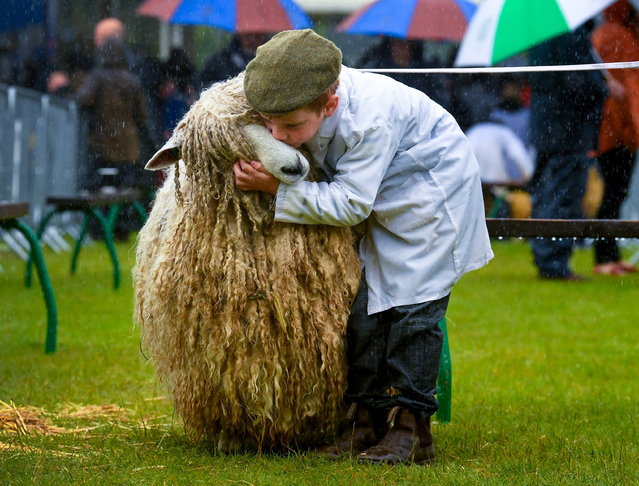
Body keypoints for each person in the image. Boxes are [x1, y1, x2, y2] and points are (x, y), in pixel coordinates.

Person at [233, 29, 493, 464]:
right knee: (365, 310)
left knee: (413, 314)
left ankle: (414, 429)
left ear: (329, 104)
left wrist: (276, 190)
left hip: (430, 196)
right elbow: (342, 179)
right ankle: (365, 421)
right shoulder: (300, 96)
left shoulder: (369, 117)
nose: (277, 134)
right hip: (383, 192)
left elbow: (351, 203)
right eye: (268, 123)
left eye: (291, 126)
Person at [527, 23, 608, 281]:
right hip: (567, 128)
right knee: (563, 194)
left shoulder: (541, 30)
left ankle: (545, 254)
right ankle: (554, 262)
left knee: (546, 192)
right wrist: (603, 87)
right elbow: (576, 81)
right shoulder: (570, 31)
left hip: (547, 125)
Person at [75, 39, 156, 240]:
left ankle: (99, 231)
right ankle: (122, 230)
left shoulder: (97, 78)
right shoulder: (131, 80)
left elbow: (82, 99)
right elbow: (142, 116)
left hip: (102, 145)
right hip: (129, 147)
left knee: (99, 191)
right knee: (124, 192)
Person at [590, 0, 639, 275]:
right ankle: (603, 257)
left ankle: (610, 253)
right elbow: (630, 89)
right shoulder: (617, 36)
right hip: (616, 131)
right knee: (612, 193)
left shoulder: (609, 34)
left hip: (615, 130)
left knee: (614, 194)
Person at [197, 33, 269, 90]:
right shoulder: (220, 60)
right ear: (240, 35)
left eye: (258, 35)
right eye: (249, 36)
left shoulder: (270, 61)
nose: (253, 40)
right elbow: (202, 84)